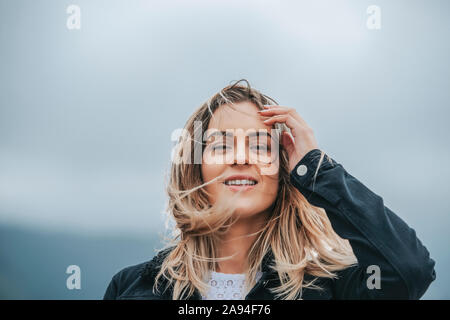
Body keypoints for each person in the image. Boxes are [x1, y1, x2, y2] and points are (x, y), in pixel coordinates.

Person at [103, 79, 436, 300]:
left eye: (260, 146)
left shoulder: (330, 288)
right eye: (221, 146)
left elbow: (409, 270)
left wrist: (317, 169)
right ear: (195, 169)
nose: (241, 157)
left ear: (286, 173)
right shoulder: (134, 288)